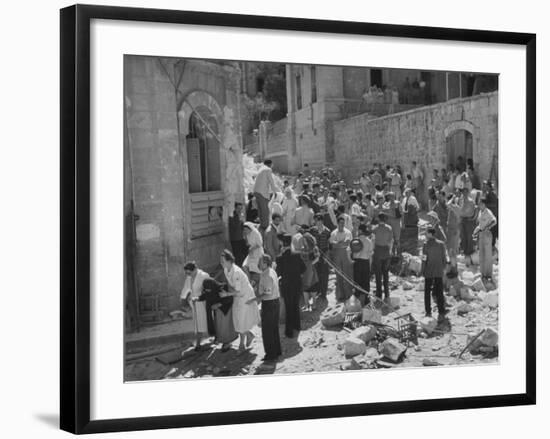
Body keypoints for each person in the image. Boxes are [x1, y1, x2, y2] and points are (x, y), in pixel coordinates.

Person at [219, 250, 259, 350]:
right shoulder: (226, 269)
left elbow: (239, 290)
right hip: (237, 295)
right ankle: (249, 335)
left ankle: (241, 344)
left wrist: (227, 294)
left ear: (229, 261)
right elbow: (231, 285)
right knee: (238, 319)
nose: (221, 262)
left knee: (241, 319)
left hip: (245, 295)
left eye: (223, 260)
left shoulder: (236, 272)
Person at [276, 234, 306, 338]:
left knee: (288, 307)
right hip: (297, 283)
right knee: (295, 305)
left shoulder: (279, 258)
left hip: (286, 285)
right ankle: (297, 326)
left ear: (282, 244)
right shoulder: (297, 255)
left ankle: (289, 331)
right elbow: (304, 268)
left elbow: (278, 272)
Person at [200, 278, 237, 352]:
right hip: (217, 311)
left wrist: (218, 304)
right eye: (206, 290)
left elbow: (229, 299)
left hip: (225, 310)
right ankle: (222, 340)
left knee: (225, 328)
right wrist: (197, 298)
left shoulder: (223, 287)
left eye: (209, 289)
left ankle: (227, 343)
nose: (208, 291)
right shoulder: (209, 289)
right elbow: (205, 295)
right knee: (219, 327)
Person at [257, 255, 282, 362]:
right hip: (275, 302)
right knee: (274, 329)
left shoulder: (266, 275)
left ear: (265, 263)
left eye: (260, 262)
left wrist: (256, 299)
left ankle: (271, 355)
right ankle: (276, 351)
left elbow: (267, 293)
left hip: (269, 303)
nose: (258, 264)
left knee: (267, 330)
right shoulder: (271, 271)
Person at [180, 262, 211, 351]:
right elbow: (186, 288)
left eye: (189, 273)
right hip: (194, 303)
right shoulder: (189, 277)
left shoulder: (204, 275)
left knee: (205, 321)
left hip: (203, 302)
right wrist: (182, 298)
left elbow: (209, 289)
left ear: (195, 270)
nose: (188, 275)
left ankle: (212, 337)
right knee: (197, 324)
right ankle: (198, 343)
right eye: (186, 273)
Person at [422, 227, 448, 321]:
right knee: (439, 291)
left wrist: (422, 269)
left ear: (430, 234)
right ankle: (441, 311)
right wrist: (444, 268)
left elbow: (424, 258)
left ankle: (428, 311)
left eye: (426, 233)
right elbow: (444, 257)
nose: (425, 234)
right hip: (438, 270)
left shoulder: (426, 244)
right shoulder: (441, 244)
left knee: (427, 292)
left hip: (429, 270)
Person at [329, 216, 354, 302]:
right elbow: (332, 245)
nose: (342, 224)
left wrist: (338, 243)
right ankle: (341, 294)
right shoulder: (333, 233)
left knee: (347, 275)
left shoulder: (348, 232)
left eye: (343, 223)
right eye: (340, 223)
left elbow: (347, 243)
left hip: (346, 254)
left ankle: (348, 294)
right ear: (337, 223)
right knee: (338, 275)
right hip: (336, 255)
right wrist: (341, 243)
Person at [474, 198, 497, 280]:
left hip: (487, 234)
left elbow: (494, 221)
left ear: (484, 204)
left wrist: (488, 227)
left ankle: (488, 274)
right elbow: (479, 223)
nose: (479, 205)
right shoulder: (480, 212)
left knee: (487, 255)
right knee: (482, 254)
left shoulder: (488, 212)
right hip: (481, 234)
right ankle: (483, 273)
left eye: (480, 203)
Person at [253, 159, 279, 234]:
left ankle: (262, 226)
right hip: (262, 192)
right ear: (270, 164)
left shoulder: (260, 169)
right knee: (265, 211)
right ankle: (265, 228)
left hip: (256, 192)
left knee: (260, 210)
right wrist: (275, 191)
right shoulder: (268, 169)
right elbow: (271, 181)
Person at [372, 213, 393, 302]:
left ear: (378, 219)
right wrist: (390, 252)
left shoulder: (375, 229)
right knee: (385, 274)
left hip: (377, 252)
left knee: (378, 274)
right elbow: (391, 241)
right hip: (386, 252)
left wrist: (373, 251)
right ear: (385, 219)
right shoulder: (389, 228)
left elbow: (373, 241)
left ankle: (379, 294)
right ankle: (387, 294)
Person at [351, 224, 374, 306]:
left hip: (356, 262)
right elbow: (370, 255)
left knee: (357, 281)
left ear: (360, 231)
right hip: (365, 263)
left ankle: (357, 301)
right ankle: (366, 301)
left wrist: (350, 261)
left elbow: (349, 251)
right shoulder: (369, 241)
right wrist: (370, 266)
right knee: (365, 282)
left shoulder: (355, 240)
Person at [310, 213, 331, 299]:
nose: (317, 223)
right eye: (316, 221)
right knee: (316, 274)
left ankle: (323, 293)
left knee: (324, 274)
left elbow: (329, 246)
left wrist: (327, 256)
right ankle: (317, 290)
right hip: (315, 255)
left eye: (318, 221)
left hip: (324, 254)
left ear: (322, 221)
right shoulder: (313, 230)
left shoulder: (327, 231)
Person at [299, 230, 320, 311]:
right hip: (304, 270)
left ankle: (314, 303)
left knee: (313, 287)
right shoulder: (302, 249)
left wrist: (310, 264)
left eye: (305, 239)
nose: (303, 241)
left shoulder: (314, 248)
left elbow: (317, 258)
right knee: (305, 288)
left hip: (311, 270)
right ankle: (306, 304)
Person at [457, 188, 477, 266]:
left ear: (468, 193)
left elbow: (471, 212)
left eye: (466, 192)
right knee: (463, 236)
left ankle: (469, 254)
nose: (464, 194)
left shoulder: (471, 201)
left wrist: (464, 215)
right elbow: (459, 210)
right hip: (462, 220)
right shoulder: (461, 200)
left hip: (469, 221)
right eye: (463, 192)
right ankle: (464, 252)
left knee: (469, 237)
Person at [242, 222, 264, 289]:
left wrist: (252, 248)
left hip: (258, 253)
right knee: (244, 266)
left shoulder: (256, 233)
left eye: (246, 229)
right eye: (244, 229)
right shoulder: (247, 234)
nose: (245, 231)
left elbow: (260, 243)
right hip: (251, 253)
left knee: (258, 269)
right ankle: (249, 283)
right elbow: (248, 244)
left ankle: (259, 284)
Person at [446, 192, 462, 276]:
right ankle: (453, 268)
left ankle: (454, 270)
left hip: (454, 232)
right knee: (451, 252)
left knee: (452, 252)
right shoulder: (453, 208)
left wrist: (452, 198)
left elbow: (448, 204)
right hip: (451, 231)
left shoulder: (456, 207)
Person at [401, 188, 420, 255]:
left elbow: (417, 207)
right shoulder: (404, 199)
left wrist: (413, 211)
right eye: (406, 193)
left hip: (412, 217)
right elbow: (403, 208)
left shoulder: (413, 199)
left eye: (408, 192)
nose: (407, 194)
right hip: (406, 218)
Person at [228, 202, 247, 266]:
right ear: (235, 208)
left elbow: (242, 227)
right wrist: (239, 219)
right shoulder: (232, 216)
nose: (240, 210)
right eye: (238, 208)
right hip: (235, 239)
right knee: (237, 256)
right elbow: (234, 227)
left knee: (245, 254)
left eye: (241, 208)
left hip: (241, 238)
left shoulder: (241, 215)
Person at [483, 180, 499, 249]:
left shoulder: (492, 194)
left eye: (485, 185)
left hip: (493, 217)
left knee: (492, 233)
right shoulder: (488, 193)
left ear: (489, 187)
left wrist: (485, 205)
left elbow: (494, 204)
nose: (484, 186)